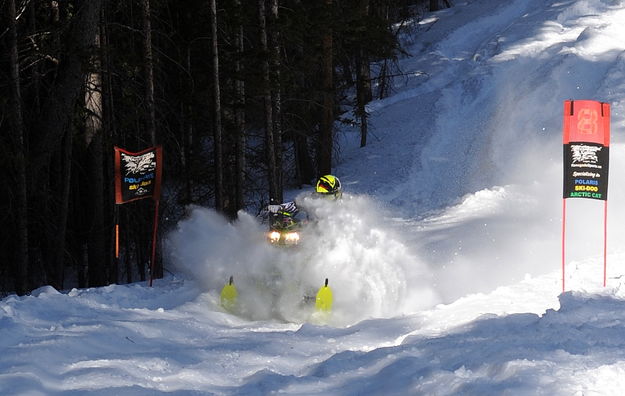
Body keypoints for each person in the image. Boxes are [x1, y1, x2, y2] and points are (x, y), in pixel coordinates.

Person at [265, 175, 342, 227]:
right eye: (321, 187)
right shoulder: (312, 199)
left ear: (335, 191)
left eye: (325, 187)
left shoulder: (343, 204)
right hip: (309, 234)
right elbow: (295, 205)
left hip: (330, 238)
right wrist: (280, 208)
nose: (322, 192)